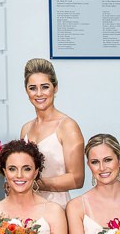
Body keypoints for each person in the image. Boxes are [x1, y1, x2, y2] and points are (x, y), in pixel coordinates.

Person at [18, 58, 85, 208]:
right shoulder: (26, 129)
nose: (39, 93)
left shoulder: (67, 126)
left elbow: (77, 179)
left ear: (55, 88)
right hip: (27, 207)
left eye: (45, 87)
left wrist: (31, 184)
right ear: (26, 91)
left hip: (57, 207)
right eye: (33, 88)